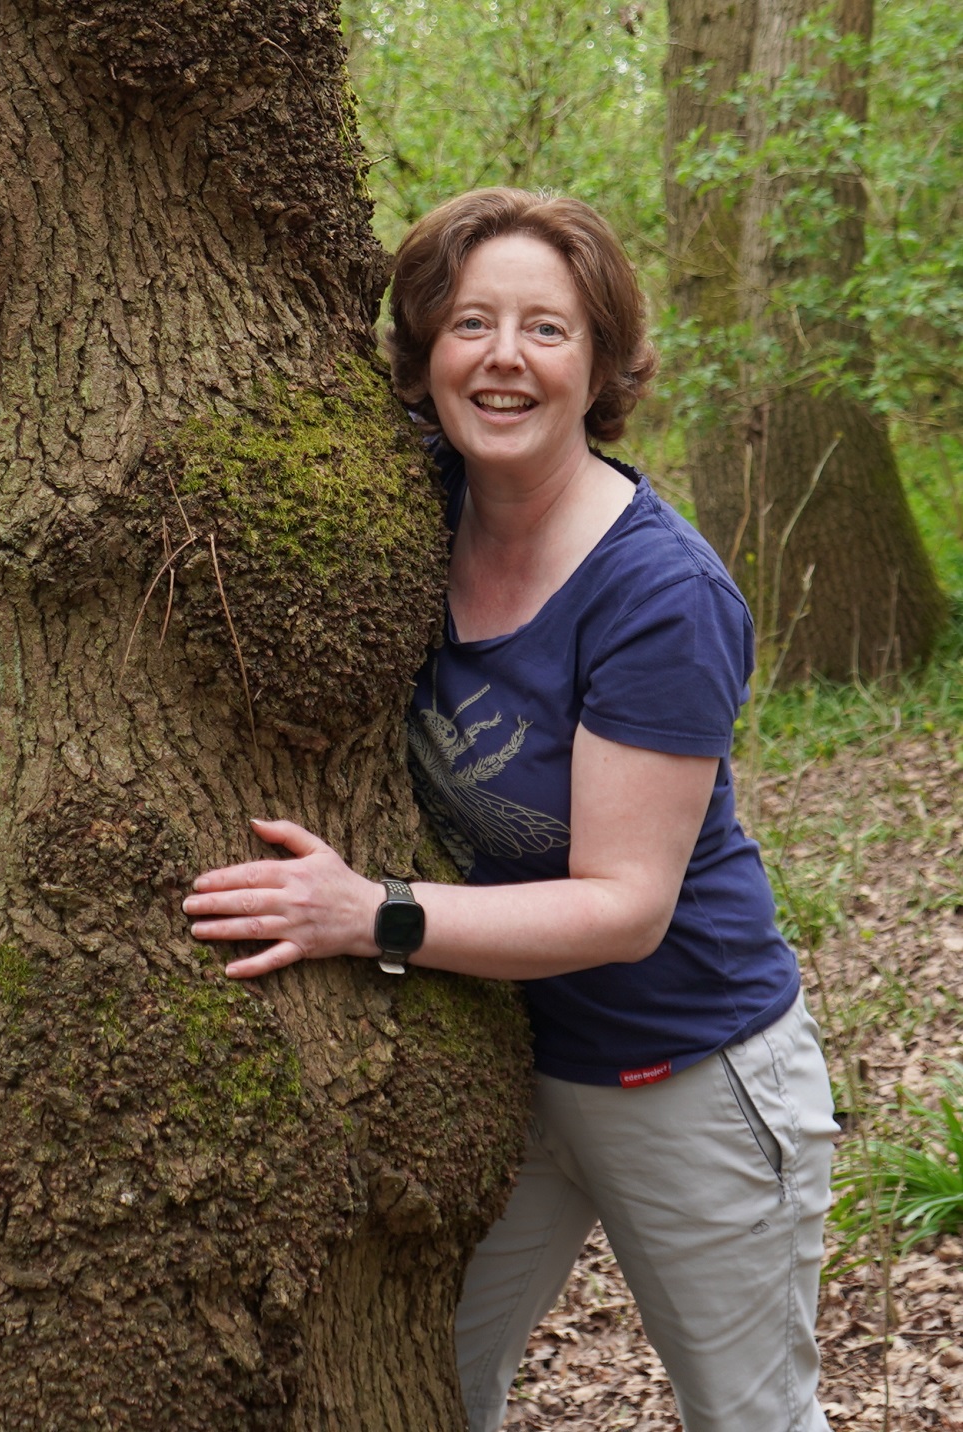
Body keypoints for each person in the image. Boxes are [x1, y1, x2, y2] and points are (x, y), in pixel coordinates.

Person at [181, 188, 839, 1432]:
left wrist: (369, 913)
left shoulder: (659, 593)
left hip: (684, 1071)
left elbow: (626, 906)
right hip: (501, 1059)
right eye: (471, 322)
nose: (504, 358)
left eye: (547, 328)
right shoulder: (402, 507)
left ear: (600, 365)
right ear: (425, 350)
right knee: (414, 1390)